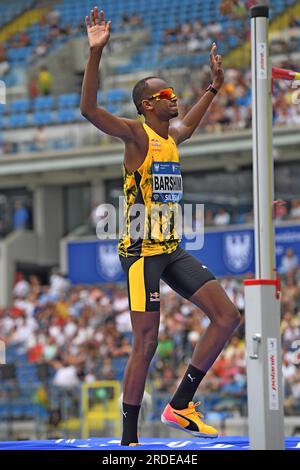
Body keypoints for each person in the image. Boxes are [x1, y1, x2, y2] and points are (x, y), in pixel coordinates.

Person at [81, 7, 241, 446]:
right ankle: (128, 441)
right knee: (146, 343)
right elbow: (89, 108)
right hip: (139, 254)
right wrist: (95, 53)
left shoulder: (170, 138)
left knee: (227, 317)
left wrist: (212, 88)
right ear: (148, 104)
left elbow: (189, 122)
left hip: (169, 248)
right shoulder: (135, 134)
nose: (175, 98)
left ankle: (181, 404)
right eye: (167, 93)